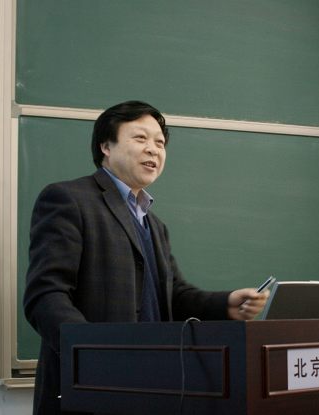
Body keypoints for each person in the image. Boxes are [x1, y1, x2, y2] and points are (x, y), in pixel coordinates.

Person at [23, 100, 269, 415]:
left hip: (152, 385)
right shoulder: (69, 200)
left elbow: (174, 296)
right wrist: (91, 354)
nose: (153, 149)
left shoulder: (154, 224)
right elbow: (46, 294)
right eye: (140, 138)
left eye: (160, 143)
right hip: (89, 388)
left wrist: (226, 304)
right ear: (105, 147)